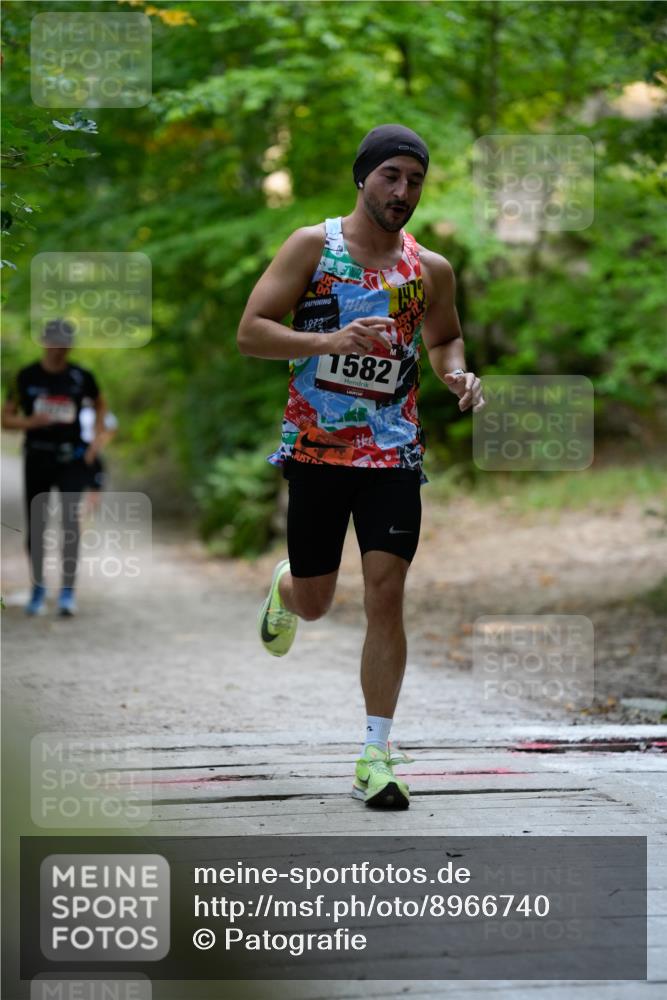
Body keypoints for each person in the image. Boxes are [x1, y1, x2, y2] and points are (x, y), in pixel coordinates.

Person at [237, 124, 485, 809]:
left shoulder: (428, 269)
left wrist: (457, 376)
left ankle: (376, 751)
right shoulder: (312, 247)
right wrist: (328, 338)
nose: (402, 191)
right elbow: (251, 331)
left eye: (414, 180)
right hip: (317, 450)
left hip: (393, 451)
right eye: (390, 176)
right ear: (362, 177)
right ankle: (288, 589)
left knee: (385, 590)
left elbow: (445, 338)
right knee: (318, 603)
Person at [1, 319, 108, 616]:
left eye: (66, 343)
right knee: (37, 524)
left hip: (71, 458)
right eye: (56, 342)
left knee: (70, 525)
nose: (61, 349)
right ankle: (38, 589)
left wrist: (96, 443)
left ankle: (67, 592)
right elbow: (5, 418)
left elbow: (102, 407)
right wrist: (29, 423)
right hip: (38, 457)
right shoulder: (26, 376)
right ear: (45, 342)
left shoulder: (81, 376)